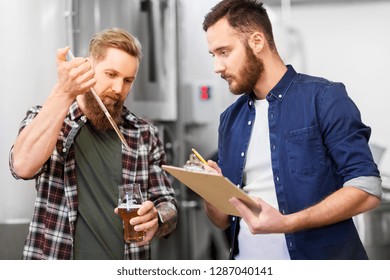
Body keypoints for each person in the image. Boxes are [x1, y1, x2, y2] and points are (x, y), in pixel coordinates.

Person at [202, 0, 382, 260]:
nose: (217, 67)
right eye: (213, 55)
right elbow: (223, 221)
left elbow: (367, 189)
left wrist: (287, 223)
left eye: (224, 52)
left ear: (257, 41)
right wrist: (211, 190)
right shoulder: (229, 119)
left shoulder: (324, 97)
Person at [9, 28, 177, 260]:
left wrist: (158, 218)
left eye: (128, 80)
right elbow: (21, 166)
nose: (119, 89)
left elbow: (168, 204)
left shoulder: (144, 134)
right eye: (111, 74)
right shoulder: (48, 118)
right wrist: (64, 92)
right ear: (89, 68)